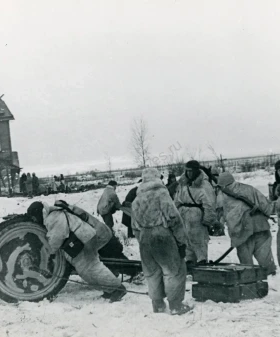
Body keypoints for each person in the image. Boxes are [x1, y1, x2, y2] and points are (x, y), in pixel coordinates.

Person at [26, 200, 127, 302]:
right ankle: (109, 289)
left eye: (34, 217)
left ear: (39, 213)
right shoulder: (54, 214)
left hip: (83, 239)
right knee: (88, 270)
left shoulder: (53, 217)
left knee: (90, 268)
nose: (35, 220)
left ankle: (117, 289)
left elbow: (57, 237)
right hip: (84, 238)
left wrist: (48, 252)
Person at [131, 168, 192, 315]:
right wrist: (181, 241)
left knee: (152, 272)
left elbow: (134, 226)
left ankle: (157, 304)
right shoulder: (161, 194)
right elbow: (174, 218)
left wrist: (143, 240)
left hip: (145, 237)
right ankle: (176, 305)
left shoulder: (137, 198)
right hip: (162, 235)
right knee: (173, 271)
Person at [217, 172, 276, 276]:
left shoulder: (221, 195)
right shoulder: (249, 188)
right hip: (260, 227)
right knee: (266, 262)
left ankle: (251, 284)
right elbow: (266, 206)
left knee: (247, 267)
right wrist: (266, 215)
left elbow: (219, 214)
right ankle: (270, 282)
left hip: (241, 233)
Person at [174, 160, 218, 271]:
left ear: (196, 171)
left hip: (197, 216)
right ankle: (190, 265)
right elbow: (177, 200)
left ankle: (202, 266)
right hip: (184, 216)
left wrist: (208, 220)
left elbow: (210, 204)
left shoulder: (204, 185)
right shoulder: (183, 184)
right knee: (187, 242)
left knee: (199, 243)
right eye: (187, 171)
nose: (189, 174)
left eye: (191, 171)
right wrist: (176, 215)